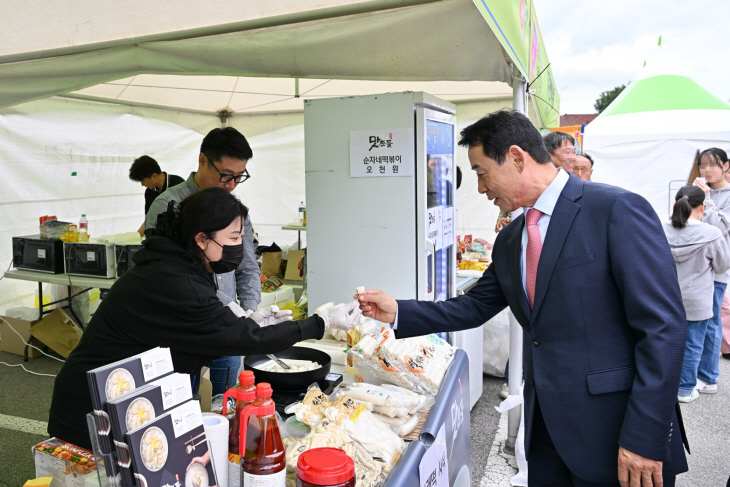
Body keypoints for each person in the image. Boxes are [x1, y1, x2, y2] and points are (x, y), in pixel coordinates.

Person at [357, 110, 688, 486]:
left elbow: (663, 328)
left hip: (615, 434)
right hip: (545, 433)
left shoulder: (615, 211)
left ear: (516, 157)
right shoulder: (513, 238)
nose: (480, 188)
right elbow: (474, 305)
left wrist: (645, 436)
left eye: (481, 172)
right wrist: (398, 311)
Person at [48, 188, 360, 449]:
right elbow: (243, 341)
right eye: (234, 237)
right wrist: (321, 322)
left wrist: (252, 322)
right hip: (93, 407)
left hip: (127, 397)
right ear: (201, 238)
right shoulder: (175, 280)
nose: (240, 247)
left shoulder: (180, 264)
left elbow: (206, 334)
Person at [145, 127, 260, 395]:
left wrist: (250, 312)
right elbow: (163, 277)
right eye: (225, 175)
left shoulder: (233, 209)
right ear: (202, 161)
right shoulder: (167, 206)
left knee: (225, 405)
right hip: (181, 332)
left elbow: (246, 266)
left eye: (239, 177)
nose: (231, 185)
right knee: (180, 412)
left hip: (226, 328)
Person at [664, 186, 730, 403]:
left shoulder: (662, 229)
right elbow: (722, 267)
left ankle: (665, 386)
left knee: (667, 341)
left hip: (668, 297)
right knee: (693, 344)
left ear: (676, 205)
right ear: (703, 207)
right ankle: (684, 389)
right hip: (698, 300)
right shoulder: (711, 234)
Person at [693, 147, 730, 393]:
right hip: (696, 266)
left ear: (726, 166)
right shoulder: (700, 191)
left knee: (712, 320)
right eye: (703, 165)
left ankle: (708, 377)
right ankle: (700, 374)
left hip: (718, 265)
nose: (707, 170)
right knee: (699, 320)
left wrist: (706, 199)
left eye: (713, 164)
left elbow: (721, 228)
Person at [129, 155, 184, 237]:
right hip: (161, 237)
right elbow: (148, 221)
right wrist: (135, 237)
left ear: (153, 176)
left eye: (143, 181)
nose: (142, 184)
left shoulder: (178, 184)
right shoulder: (149, 192)